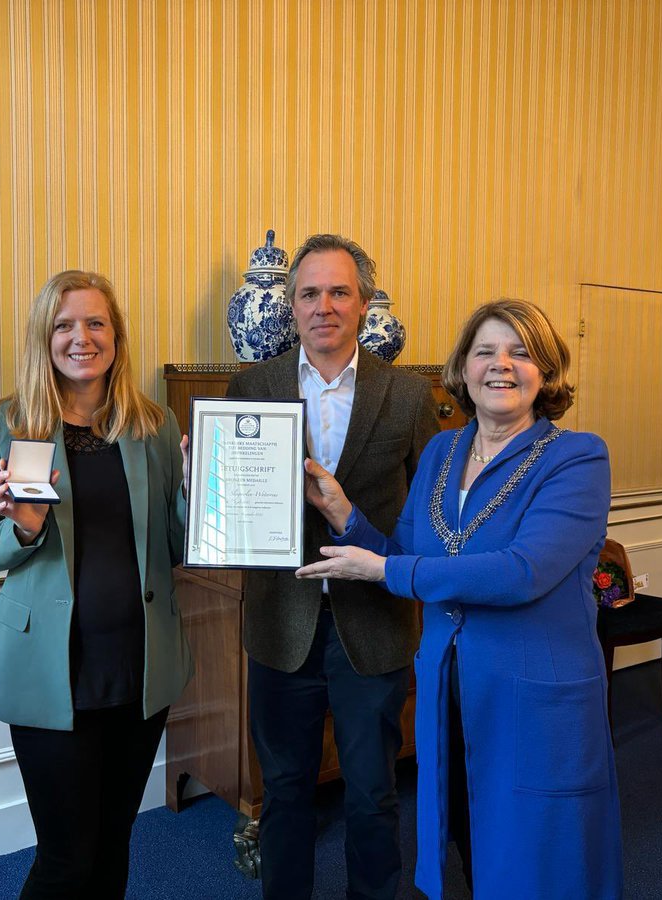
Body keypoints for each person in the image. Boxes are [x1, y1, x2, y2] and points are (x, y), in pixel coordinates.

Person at [296, 297, 623, 899]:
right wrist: (345, 514)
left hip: (532, 696)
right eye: (485, 352)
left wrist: (387, 571)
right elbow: (405, 550)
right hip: (449, 688)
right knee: (471, 841)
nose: (502, 365)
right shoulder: (444, 453)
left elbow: (522, 572)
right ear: (463, 369)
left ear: (547, 373)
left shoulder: (578, 458)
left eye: (522, 353)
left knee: (539, 858)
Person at [0, 270, 192, 899]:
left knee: (114, 843)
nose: (80, 337)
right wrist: (25, 531)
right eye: (64, 325)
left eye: (95, 323)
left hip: (139, 668)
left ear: (116, 336)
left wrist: (203, 496)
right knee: (66, 858)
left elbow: (176, 546)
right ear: (44, 337)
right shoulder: (9, 423)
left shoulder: (153, 426)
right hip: (51, 671)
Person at [226, 234, 439, 900]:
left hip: (371, 626)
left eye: (339, 292)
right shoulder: (251, 385)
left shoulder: (407, 396)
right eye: (309, 293)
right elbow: (230, 503)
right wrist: (202, 488)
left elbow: (427, 521)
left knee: (373, 794)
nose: (324, 306)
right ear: (291, 305)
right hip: (278, 627)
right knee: (285, 793)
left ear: (365, 302)